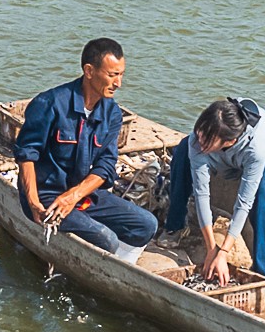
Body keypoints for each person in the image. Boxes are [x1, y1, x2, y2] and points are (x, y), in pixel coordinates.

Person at [13, 37, 158, 264]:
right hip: (46, 196)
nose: (118, 83)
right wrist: (33, 202)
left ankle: (116, 269)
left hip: (80, 194)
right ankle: (101, 264)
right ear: (89, 71)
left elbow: (105, 166)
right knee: (106, 238)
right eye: (112, 75)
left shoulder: (112, 113)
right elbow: (26, 155)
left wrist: (74, 196)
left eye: (121, 74)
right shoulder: (50, 104)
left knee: (147, 224)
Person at [163, 97, 265, 291]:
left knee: (263, 197)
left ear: (230, 141)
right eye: (199, 133)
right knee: (183, 152)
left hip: (259, 149)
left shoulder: (257, 149)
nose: (199, 142)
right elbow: (202, 193)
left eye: (205, 140)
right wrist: (212, 248)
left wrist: (224, 251)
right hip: (220, 150)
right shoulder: (198, 141)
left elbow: (244, 203)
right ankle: (175, 225)